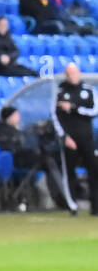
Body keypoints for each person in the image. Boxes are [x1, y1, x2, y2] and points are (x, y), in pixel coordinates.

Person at [54, 61, 96, 213]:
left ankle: (95, 206)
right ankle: (73, 205)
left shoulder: (88, 91)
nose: (72, 76)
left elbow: (94, 111)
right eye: (69, 73)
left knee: (94, 170)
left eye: (75, 72)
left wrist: (73, 108)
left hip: (87, 138)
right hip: (69, 139)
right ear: (66, 75)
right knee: (69, 172)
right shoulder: (60, 93)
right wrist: (64, 136)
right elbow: (55, 117)